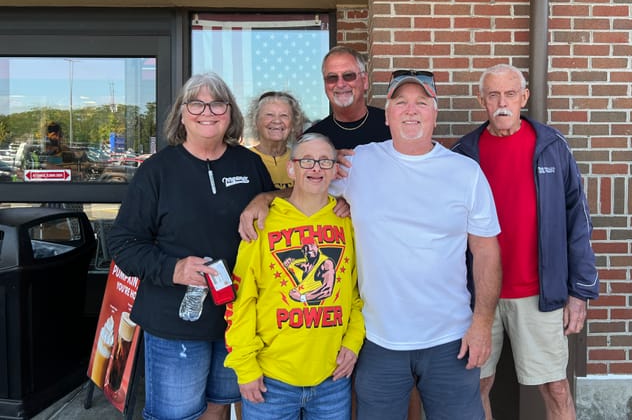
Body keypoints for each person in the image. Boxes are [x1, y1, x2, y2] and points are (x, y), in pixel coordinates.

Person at [240, 69, 502, 420]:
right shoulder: (359, 163)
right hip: (380, 341)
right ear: (388, 113)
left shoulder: (465, 173)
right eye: (401, 102)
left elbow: (486, 251)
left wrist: (482, 323)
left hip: (450, 339)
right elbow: (309, 185)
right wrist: (265, 198)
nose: (411, 111)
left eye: (421, 103)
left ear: (434, 111)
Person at [107, 72, 274, 420]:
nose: (207, 111)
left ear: (230, 113)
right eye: (195, 103)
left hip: (237, 320)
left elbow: (281, 213)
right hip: (175, 321)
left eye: (217, 102)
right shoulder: (157, 171)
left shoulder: (249, 164)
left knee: (219, 405)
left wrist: (267, 195)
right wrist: (175, 269)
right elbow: (123, 243)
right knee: (177, 415)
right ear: (182, 115)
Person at [451, 64, 599, 420]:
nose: (502, 103)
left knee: (556, 387)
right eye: (493, 95)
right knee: (477, 386)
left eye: (510, 94)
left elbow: (577, 220)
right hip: (477, 296)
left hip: (539, 293)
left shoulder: (551, 146)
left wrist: (579, 290)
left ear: (524, 98)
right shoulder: (463, 153)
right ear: (481, 100)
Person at [225, 133, 364, 420]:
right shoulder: (262, 222)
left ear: (335, 169)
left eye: (325, 161)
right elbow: (241, 300)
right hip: (271, 379)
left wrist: (353, 342)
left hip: (332, 377)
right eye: (307, 161)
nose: (316, 168)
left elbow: (358, 293)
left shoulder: (349, 222)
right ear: (292, 168)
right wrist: (245, 366)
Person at [304, 46, 390, 149]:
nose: (340, 84)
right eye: (332, 77)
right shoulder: (313, 138)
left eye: (348, 75)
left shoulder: (391, 126)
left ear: (365, 81)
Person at [247, 91, 305, 189]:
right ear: (255, 122)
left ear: (294, 124)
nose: (277, 121)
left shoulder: (301, 160)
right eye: (269, 115)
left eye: (284, 115)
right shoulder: (243, 160)